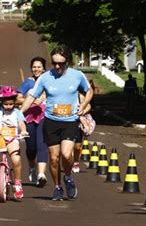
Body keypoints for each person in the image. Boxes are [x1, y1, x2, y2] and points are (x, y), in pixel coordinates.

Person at [20, 45, 93, 201]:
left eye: (61, 63)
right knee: (53, 158)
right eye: (54, 63)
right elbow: (31, 98)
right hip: (51, 122)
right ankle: (57, 187)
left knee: (67, 155)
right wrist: (18, 114)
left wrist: (84, 104)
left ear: (68, 61)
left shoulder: (77, 75)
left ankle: (67, 177)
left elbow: (89, 91)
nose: (57, 66)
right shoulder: (45, 78)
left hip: (70, 121)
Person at [16, 56, 49, 187]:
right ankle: (32, 168)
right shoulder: (28, 83)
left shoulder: (49, 81)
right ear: (31, 68)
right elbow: (18, 98)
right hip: (29, 118)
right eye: (34, 67)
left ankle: (41, 174)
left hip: (45, 117)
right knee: (31, 148)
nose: (36, 69)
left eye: (39, 67)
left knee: (42, 145)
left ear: (44, 68)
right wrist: (31, 101)